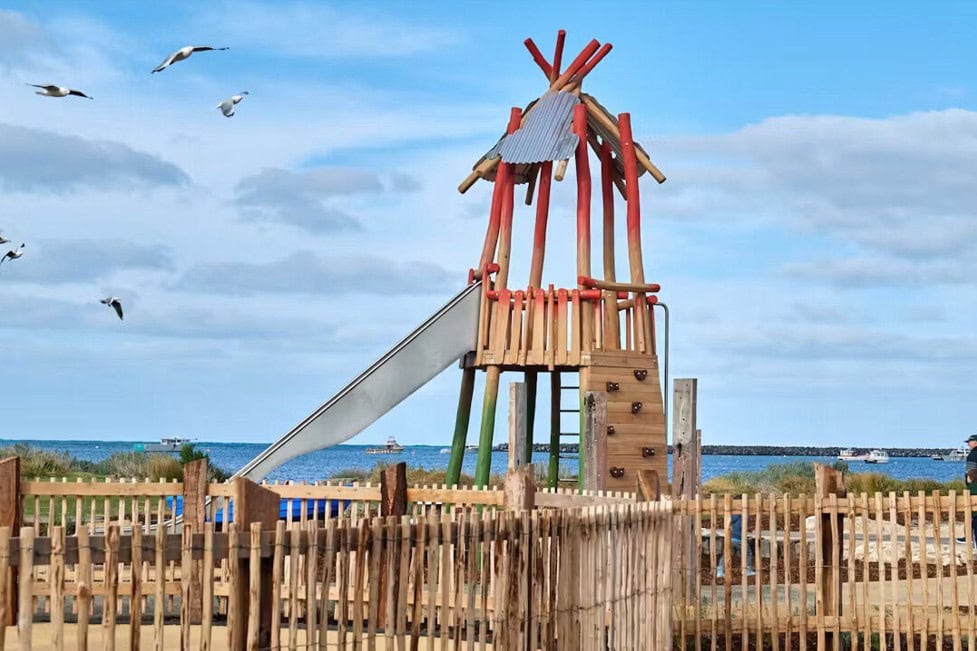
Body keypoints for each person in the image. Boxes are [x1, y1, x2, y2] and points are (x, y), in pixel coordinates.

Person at [956, 434, 977, 546]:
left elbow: (971, 473)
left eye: (970, 442)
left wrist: (969, 481)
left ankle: (968, 537)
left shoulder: (973, 455)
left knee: (972, 512)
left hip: (974, 487)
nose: (968, 444)